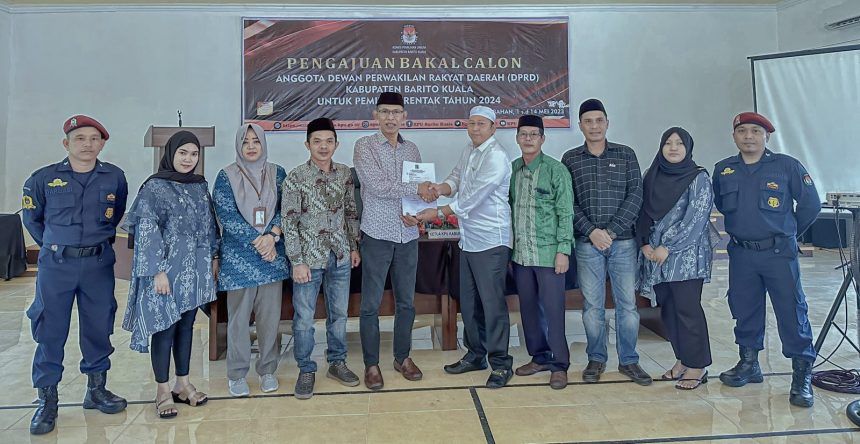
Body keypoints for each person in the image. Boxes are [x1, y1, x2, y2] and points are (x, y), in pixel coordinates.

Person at [22, 115, 129, 435]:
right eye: (80, 138)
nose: (87, 144)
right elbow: (32, 220)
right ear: (66, 143)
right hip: (56, 266)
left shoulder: (114, 177)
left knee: (98, 326)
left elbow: (115, 215)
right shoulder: (43, 178)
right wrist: (58, 245)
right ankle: (47, 400)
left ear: (102, 144)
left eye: (94, 138)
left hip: (98, 264)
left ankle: (96, 390)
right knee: (50, 330)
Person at [713, 112, 821, 407]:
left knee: (792, 311)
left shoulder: (787, 166)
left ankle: (801, 376)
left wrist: (788, 232)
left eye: (756, 131)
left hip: (778, 254)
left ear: (766, 137)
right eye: (742, 131)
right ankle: (749, 364)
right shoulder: (724, 170)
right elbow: (721, 203)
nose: (749, 136)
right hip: (742, 253)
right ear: (734, 136)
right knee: (744, 308)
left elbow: (811, 204)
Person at [122, 131, 219, 418]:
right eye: (183, 153)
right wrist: (156, 271)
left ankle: (183, 384)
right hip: (165, 271)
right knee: (165, 327)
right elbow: (146, 230)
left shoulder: (200, 186)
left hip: (195, 270)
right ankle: (163, 390)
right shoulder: (155, 187)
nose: (188, 159)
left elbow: (210, 226)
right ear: (171, 153)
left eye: (194, 154)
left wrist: (213, 258)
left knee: (186, 327)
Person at [419, 105, 515, 389]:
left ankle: (501, 364)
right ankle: (476, 355)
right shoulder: (469, 150)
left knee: (492, 304)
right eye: (471, 123)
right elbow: (457, 178)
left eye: (481, 124)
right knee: (470, 303)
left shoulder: (496, 157)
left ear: (493, 128)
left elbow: (472, 198)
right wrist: (440, 188)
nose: (475, 129)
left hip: (492, 241)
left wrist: (438, 211)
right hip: (469, 239)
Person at [560, 99, 651, 386]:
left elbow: (636, 195)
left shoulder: (626, 155)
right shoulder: (570, 159)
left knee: (627, 306)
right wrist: (591, 231)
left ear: (607, 123)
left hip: (623, 243)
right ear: (580, 126)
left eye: (599, 120)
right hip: (587, 244)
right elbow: (568, 202)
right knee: (592, 307)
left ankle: (629, 360)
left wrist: (610, 232)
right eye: (588, 121)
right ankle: (596, 358)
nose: (594, 126)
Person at [353, 91, 431, 390]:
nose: (390, 117)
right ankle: (371, 364)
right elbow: (377, 186)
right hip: (377, 234)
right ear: (375, 115)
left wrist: (417, 214)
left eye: (396, 112)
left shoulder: (412, 149)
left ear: (404, 116)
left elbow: (416, 192)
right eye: (384, 112)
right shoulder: (365, 146)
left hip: (407, 235)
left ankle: (402, 357)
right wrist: (416, 188)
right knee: (370, 304)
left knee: (407, 303)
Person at [282, 117, 362, 400]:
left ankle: (337, 362)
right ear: (308, 145)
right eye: (317, 141)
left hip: (339, 256)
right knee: (304, 318)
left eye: (329, 141)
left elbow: (350, 212)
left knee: (339, 315)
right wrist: (297, 261)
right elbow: (289, 222)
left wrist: (353, 246)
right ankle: (306, 369)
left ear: (336, 144)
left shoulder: (344, 174)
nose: (323, 146)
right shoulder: (295, 178)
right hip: (308, 259)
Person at [213, 123, 290, 397]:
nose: (251, 146)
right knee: (238, 321)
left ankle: (267, 370)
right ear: (238, 145)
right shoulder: (226, 176)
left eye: (256, 141)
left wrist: (272, 236)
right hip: (239, 260)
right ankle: (236, 374)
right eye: (245, 142)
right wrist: (259, 241)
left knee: (270, 320)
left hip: (271, 257)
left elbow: (286, 208)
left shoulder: (278, 173)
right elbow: (226, 215)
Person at [636, 127, 715, 390]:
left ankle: (697, 365)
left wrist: (668, 247)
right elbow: (642, 211)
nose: (673, 148)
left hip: (686, 258)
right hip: (656, 260)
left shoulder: (698, 177)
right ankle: (683, 360)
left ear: (688, 148)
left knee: (687, 310)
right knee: (668, 311)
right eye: (668, 143)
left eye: (679, 143)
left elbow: (696, 219)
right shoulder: (652, 175)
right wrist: (644, 243)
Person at [508, 115, 574, 390]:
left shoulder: (555, 170)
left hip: (549, 255)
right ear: (517, 138)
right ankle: (539, 357)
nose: (528, 139)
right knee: (529, 310)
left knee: (553, 310)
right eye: (523, 134)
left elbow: (566, 212)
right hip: (521, 256)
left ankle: (560, 365)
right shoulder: (513, 169)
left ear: (542, 139)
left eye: (533, 134)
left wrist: (563, 250)